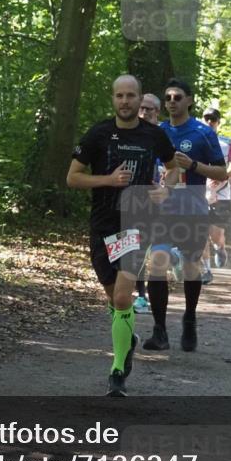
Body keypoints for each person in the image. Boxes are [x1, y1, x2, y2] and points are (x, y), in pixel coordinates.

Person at [67, 75, 177, 396]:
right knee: (113, 298)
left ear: (139, 99)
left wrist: (165, 189)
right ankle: (127, 339)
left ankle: (117, 371)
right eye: (120, 96)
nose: (125, 101)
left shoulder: (154, 135)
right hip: (102, 224)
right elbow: (73, 177)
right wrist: (108, 179)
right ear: (113, 99)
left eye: (130, 95)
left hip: (136, 223)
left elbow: (173, 168)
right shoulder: (98, 133)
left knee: (122, 297)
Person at [151, 79, 227, 353]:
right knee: (157, 263)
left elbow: (222, 172)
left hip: (192, 210)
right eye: (168, 97)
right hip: (163, 211)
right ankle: (159, 330)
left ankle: (190, 318)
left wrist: (194, 165)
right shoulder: (158, 131)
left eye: (177, 97)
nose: (172, 101)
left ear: (189, 100)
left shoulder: (202, 133)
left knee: (190, 266)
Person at [201, 108, 231, 273]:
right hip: (199, 193)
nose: (210, 122)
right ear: (202, 120)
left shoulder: (227, 143)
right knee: (201, 233)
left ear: (219, 122)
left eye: (213, 119)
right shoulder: (193, 141)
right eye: (207, 119)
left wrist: (224, 177)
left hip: (221, 194)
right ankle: (206, 270)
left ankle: (220, 247)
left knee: (216, 235)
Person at [133, 93, 162, 315]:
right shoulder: (129, 134)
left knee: (159, 250)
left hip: (164, 203)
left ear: (157, 112)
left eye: (148, 109)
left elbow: (175, 168)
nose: (143, 112)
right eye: (141, 108)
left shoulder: (164, 135)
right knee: (138, 248)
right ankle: (141, 295)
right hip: (136, 202)